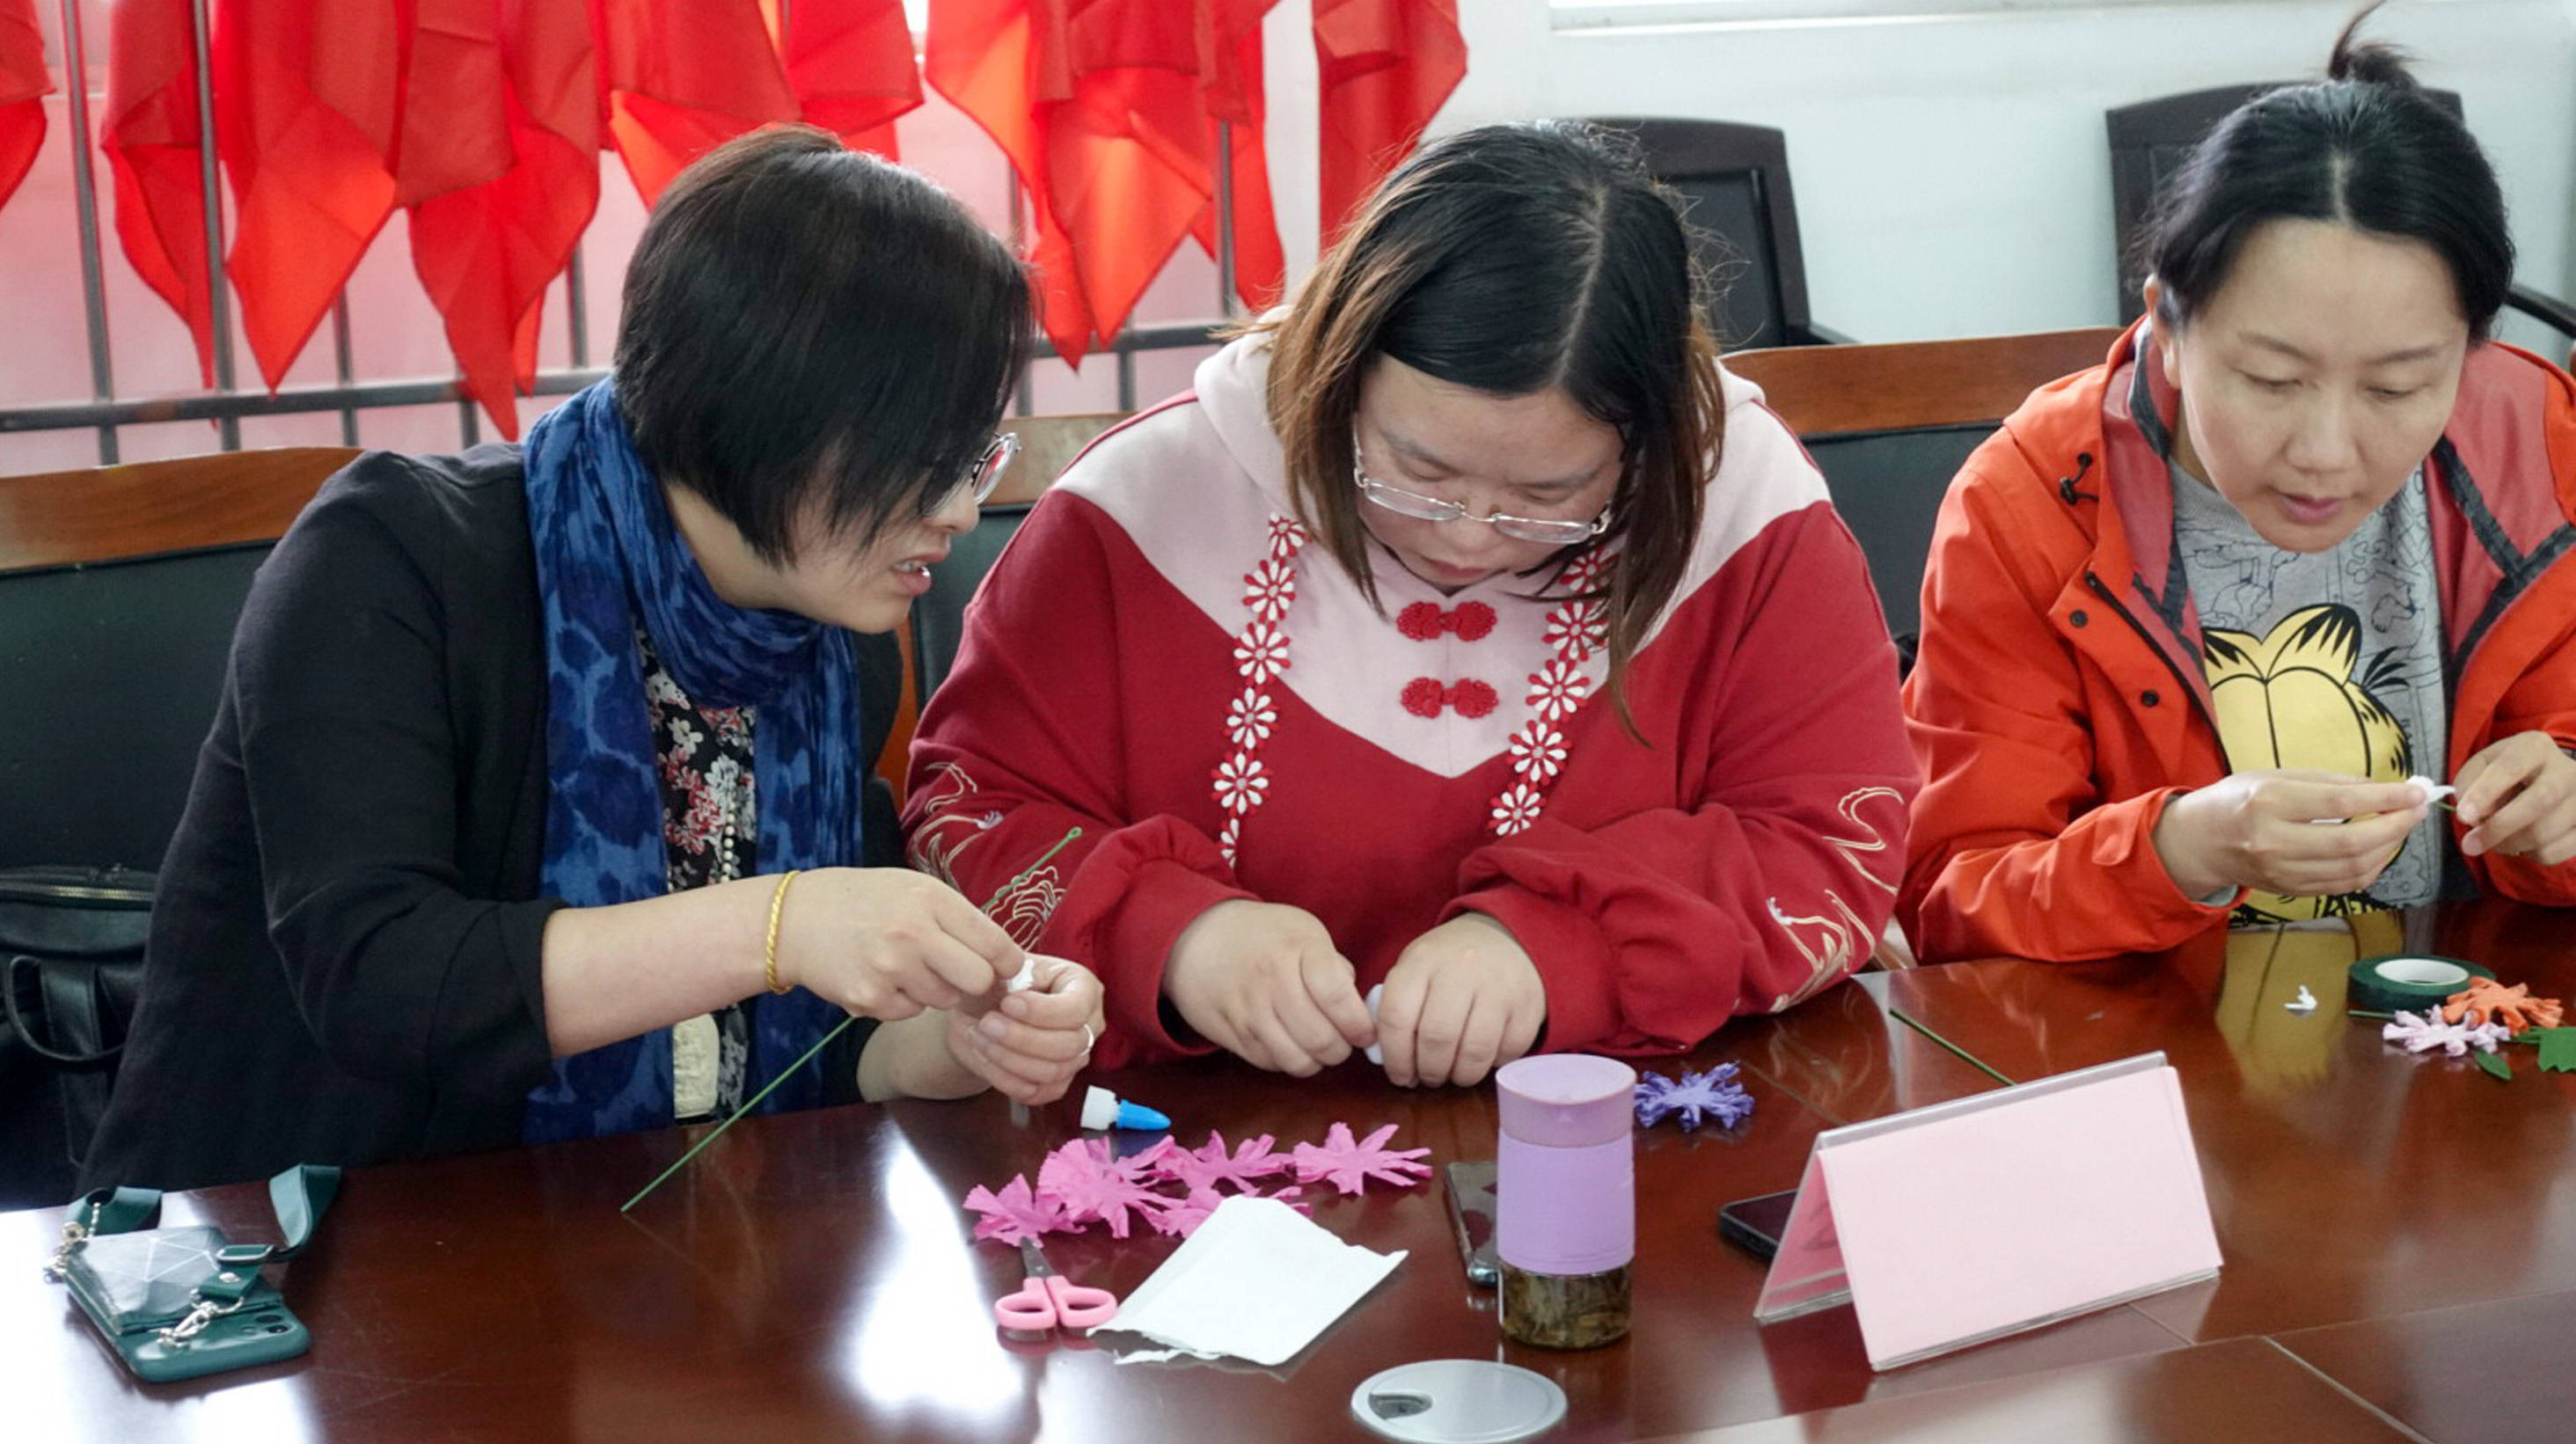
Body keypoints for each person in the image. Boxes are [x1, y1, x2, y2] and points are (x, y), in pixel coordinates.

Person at [87, 127, 1103, 1191]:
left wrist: (962, 1039)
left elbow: (807, 1056)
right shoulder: (396, 563)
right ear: (768, 412)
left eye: (974, 457)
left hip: (640, 1271)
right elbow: (379, 982)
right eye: (924, 458)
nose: (956, 510)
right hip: (287, 1255)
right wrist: (780, 923)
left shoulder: (833, 649)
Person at [904, 122, 1915, 1088]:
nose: (1469, 534)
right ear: (1339, 372)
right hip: (1194, 1137)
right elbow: (974, 801)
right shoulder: (1145, 502)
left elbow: (1831, 838)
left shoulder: (1747, 512)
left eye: (1550, 494)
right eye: (1416, 470)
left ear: (1644, 445)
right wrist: (1174, 935)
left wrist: (1558, 946)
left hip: (1633, 1120)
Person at [1901, 11, 2576, 964]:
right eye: (2271, 380)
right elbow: (1949, 899)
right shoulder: (2032, 504)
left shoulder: (2544, 453)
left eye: (2397, 387)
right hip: (2163, 1060)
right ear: (2167, 328)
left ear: (2473, 356)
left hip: (2466, 1047)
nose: (2327, 453)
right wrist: (2178, 850)